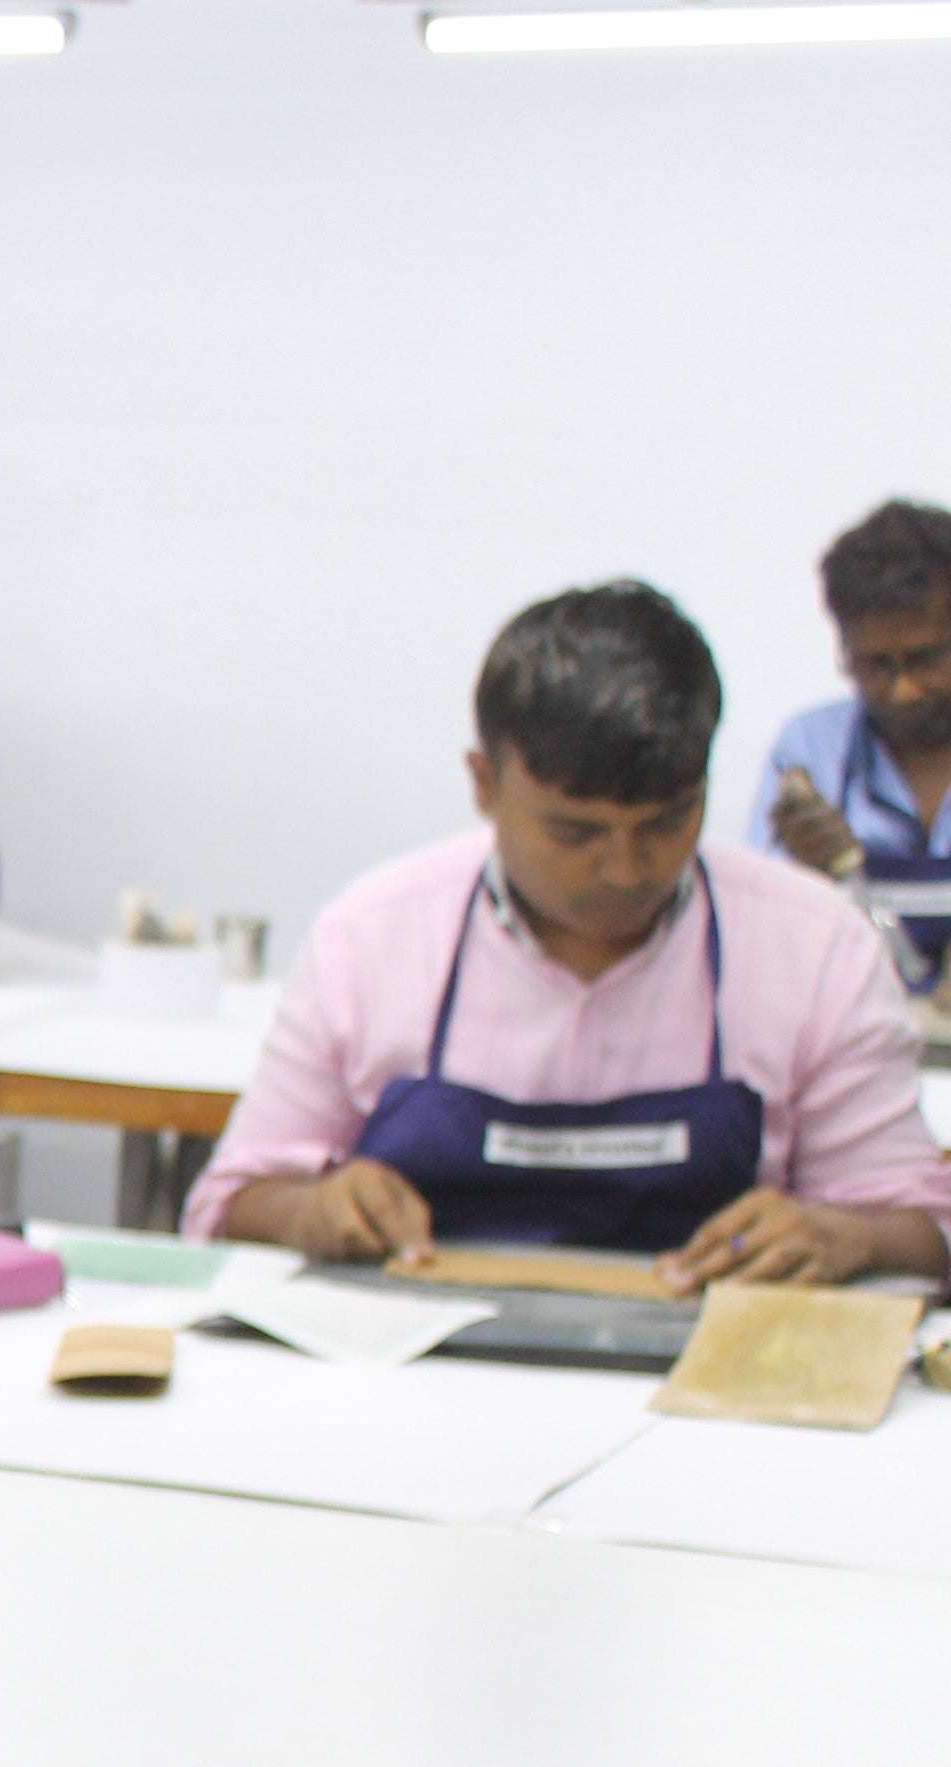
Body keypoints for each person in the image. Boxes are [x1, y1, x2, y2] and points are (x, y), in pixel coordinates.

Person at [190, 581, 951, 1288]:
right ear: (484, 783)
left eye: (664, 823)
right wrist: (309, 1211)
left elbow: (926, 1233)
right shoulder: (371, 938)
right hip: (412, 1377)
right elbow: (224, 1208)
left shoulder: (814, 949)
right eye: (575, 831)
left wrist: (849, 1236)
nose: (624, 870)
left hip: (712, 1391)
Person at [751, 497, 951, 997]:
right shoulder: (809, 750)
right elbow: (757, 932)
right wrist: (807, 876)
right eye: (876, 666)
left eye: (926, 660)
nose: (903, 691)